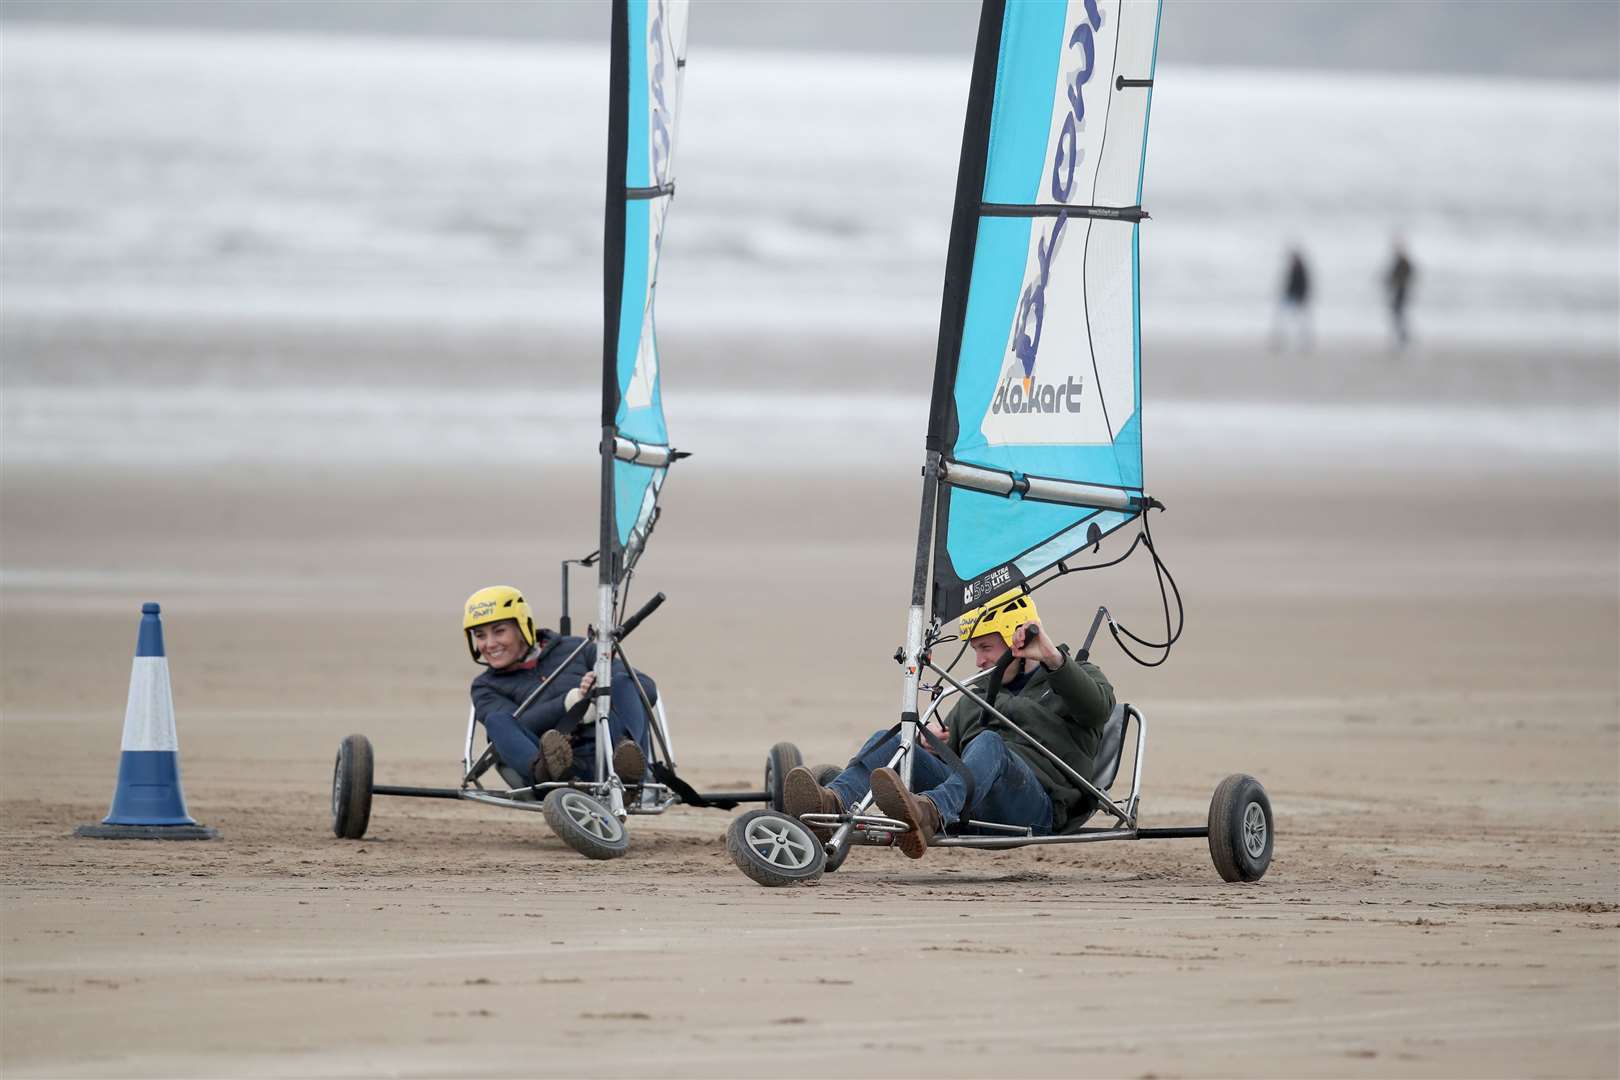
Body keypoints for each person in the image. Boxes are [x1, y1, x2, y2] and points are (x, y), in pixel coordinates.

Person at [782, 591, 1116, 859]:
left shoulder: (1074, 678)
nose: (979, 660)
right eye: (975, 649)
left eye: (986, 647)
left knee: (989, 744)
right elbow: (960, 763)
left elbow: (1098, 709)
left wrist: (1052, 657)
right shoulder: (976, 696)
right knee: (890, 739)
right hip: (973, 804)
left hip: (1037, 808)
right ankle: (831, 806)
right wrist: (939, 749)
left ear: (1016, 641)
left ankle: (929, 815)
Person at [463, 585, 654, 788]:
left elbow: (648, 689)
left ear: (522, 627)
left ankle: (625, 774)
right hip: (555, 769)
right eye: (480, 636)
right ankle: (552, 777)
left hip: (607, 751)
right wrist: (571, 702)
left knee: (625, 682)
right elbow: (519, 724)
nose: (489, 644)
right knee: (497, 722)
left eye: (499, 631)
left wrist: (603, 689)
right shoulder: (485, 686)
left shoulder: (577, 648)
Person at [1270, 246, 1312, 353]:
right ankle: (1280, 341)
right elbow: (1289, 284)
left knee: (1300, 322)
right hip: (1290, 297)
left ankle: (1303, 344)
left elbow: (1304, 285)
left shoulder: (1301, 269)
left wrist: (1302, 298)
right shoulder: (1293, 269)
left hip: (1298, 298)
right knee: (1283, 320)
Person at [1384, 238, 1415, 349]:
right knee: (1398, 314)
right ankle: (1403, 337)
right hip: (1400, 291)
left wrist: (1396, 281)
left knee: (1399, 314)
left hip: (1401, 291)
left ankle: (1404, 337)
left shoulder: (1404, 262)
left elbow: (1406, 275)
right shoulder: (1400, 262)